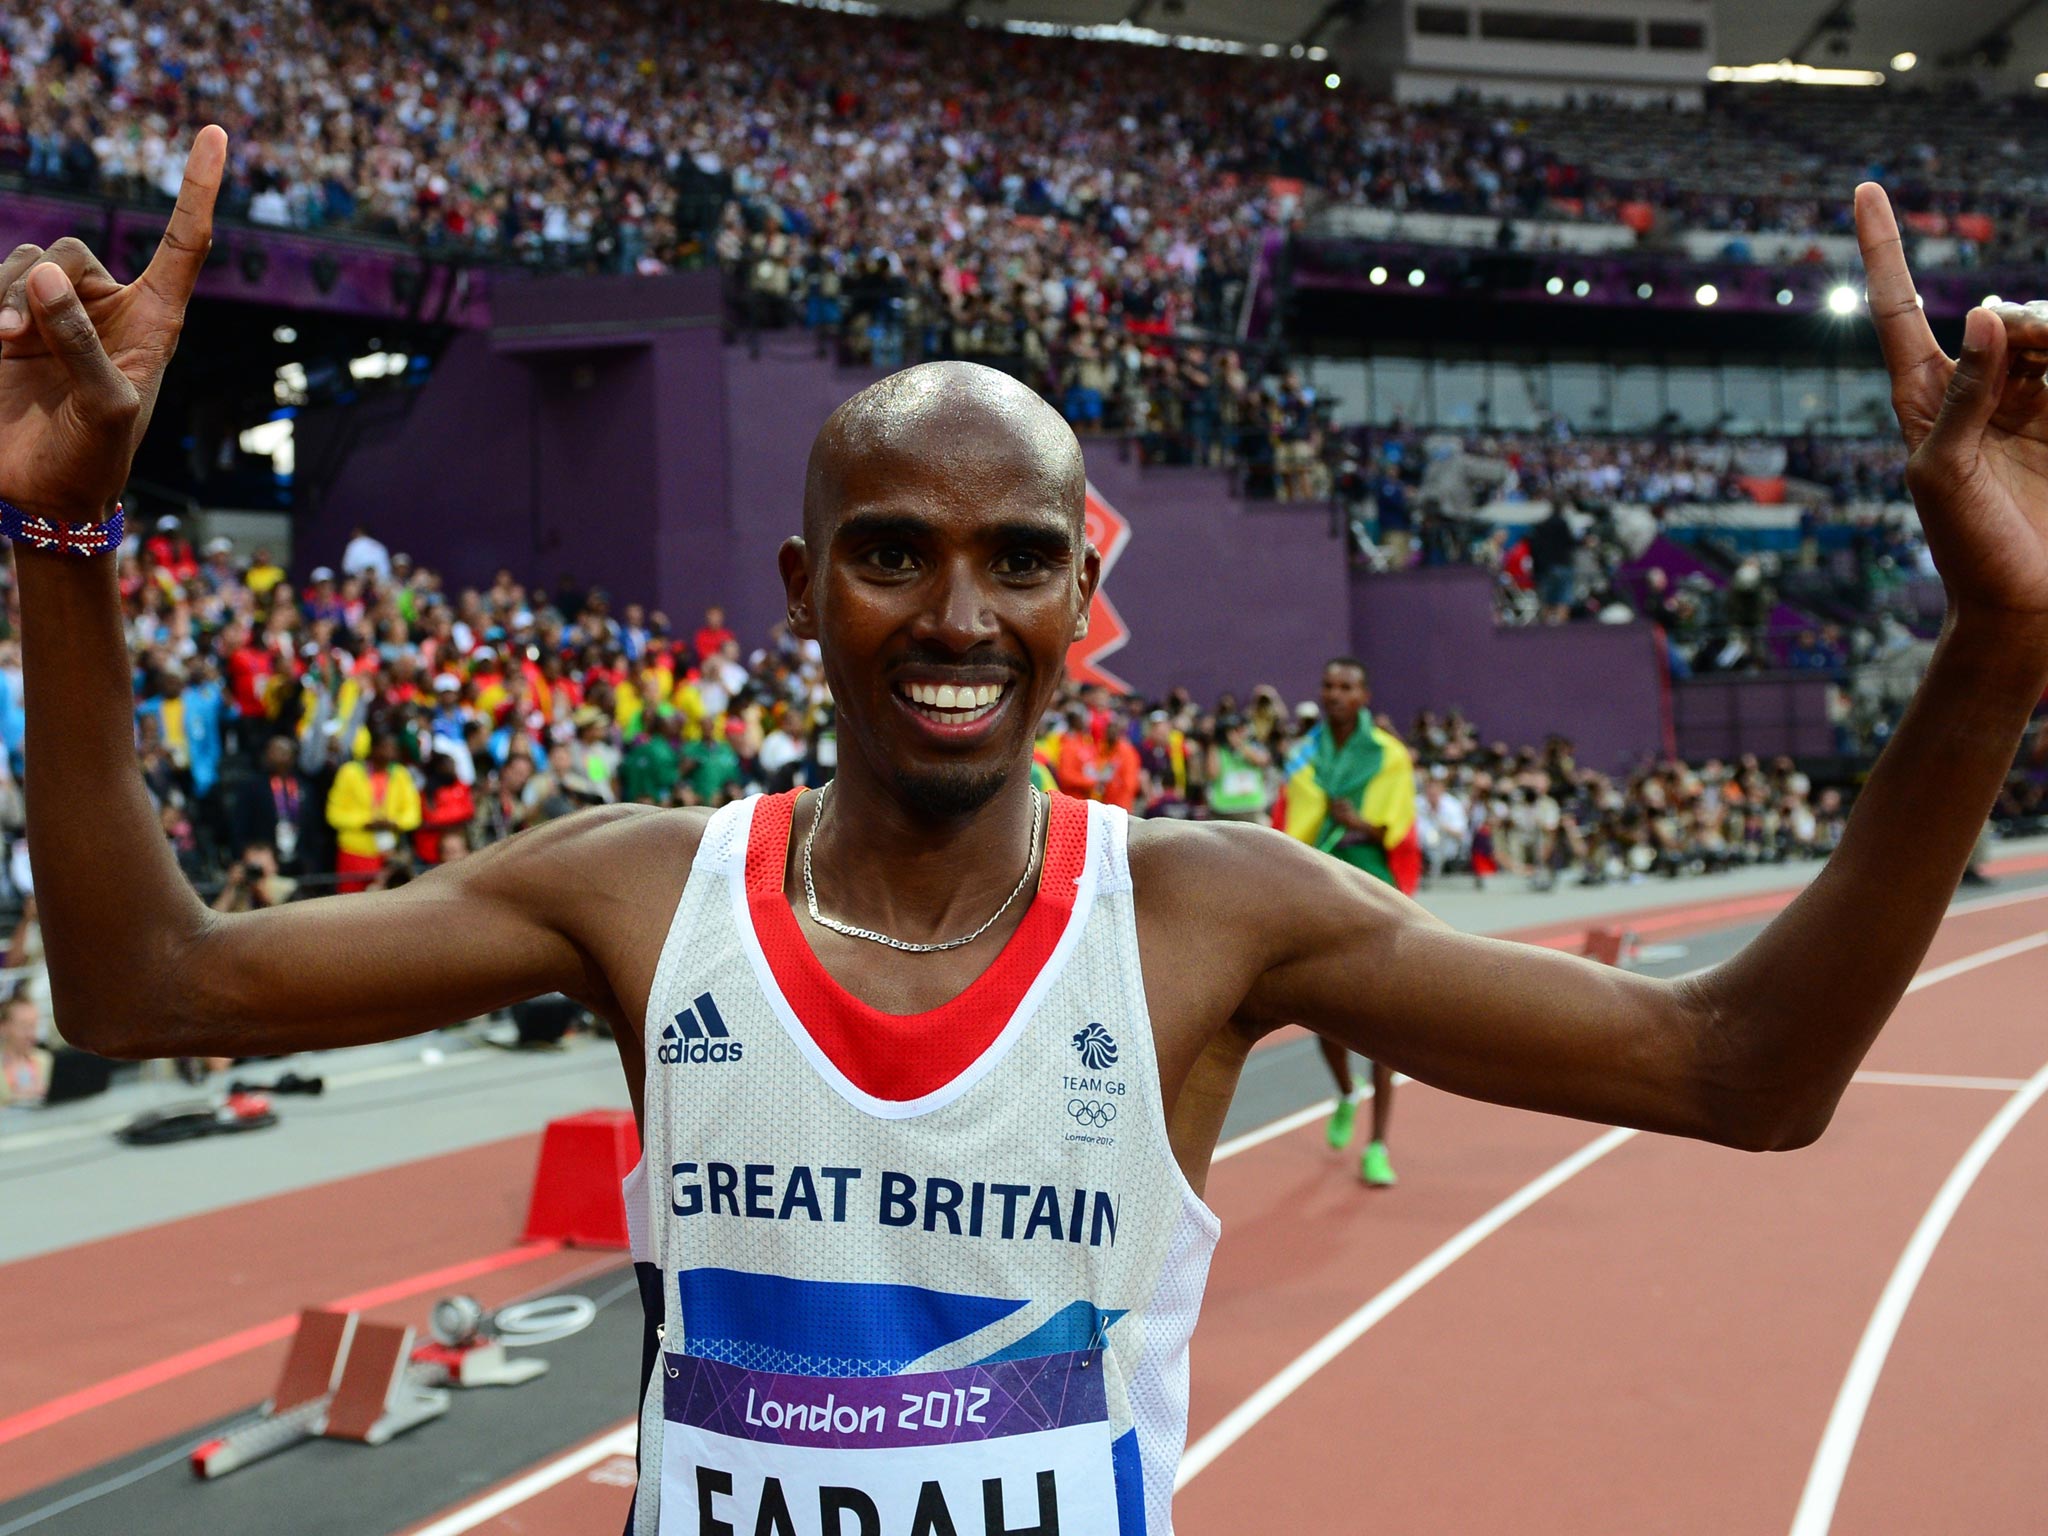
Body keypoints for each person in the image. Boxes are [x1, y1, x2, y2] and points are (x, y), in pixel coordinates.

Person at [9, 141, 2048, 1532]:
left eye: (1012, 563)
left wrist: (1992, 654)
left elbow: (1742, 1072)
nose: (957, 619)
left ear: (1086, 598)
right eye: (893, 556)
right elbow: (141, 984)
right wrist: (63, 540)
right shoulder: (638, 888)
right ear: (804, 589)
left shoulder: (1204, 917)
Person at [1277, 658, 1421, 1185]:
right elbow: (1292, 825)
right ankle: (1344, 1092)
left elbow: (1395, 827)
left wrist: (1360, 823)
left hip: (1374, 886)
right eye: (1328, 685)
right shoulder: (1304, 755)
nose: (1335, 694)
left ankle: (1378, 1145)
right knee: (1322, 1014)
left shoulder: (1389, 755)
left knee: (1386, 1025)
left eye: (1346, 687)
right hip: (1320, 884)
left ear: (1363, 696)